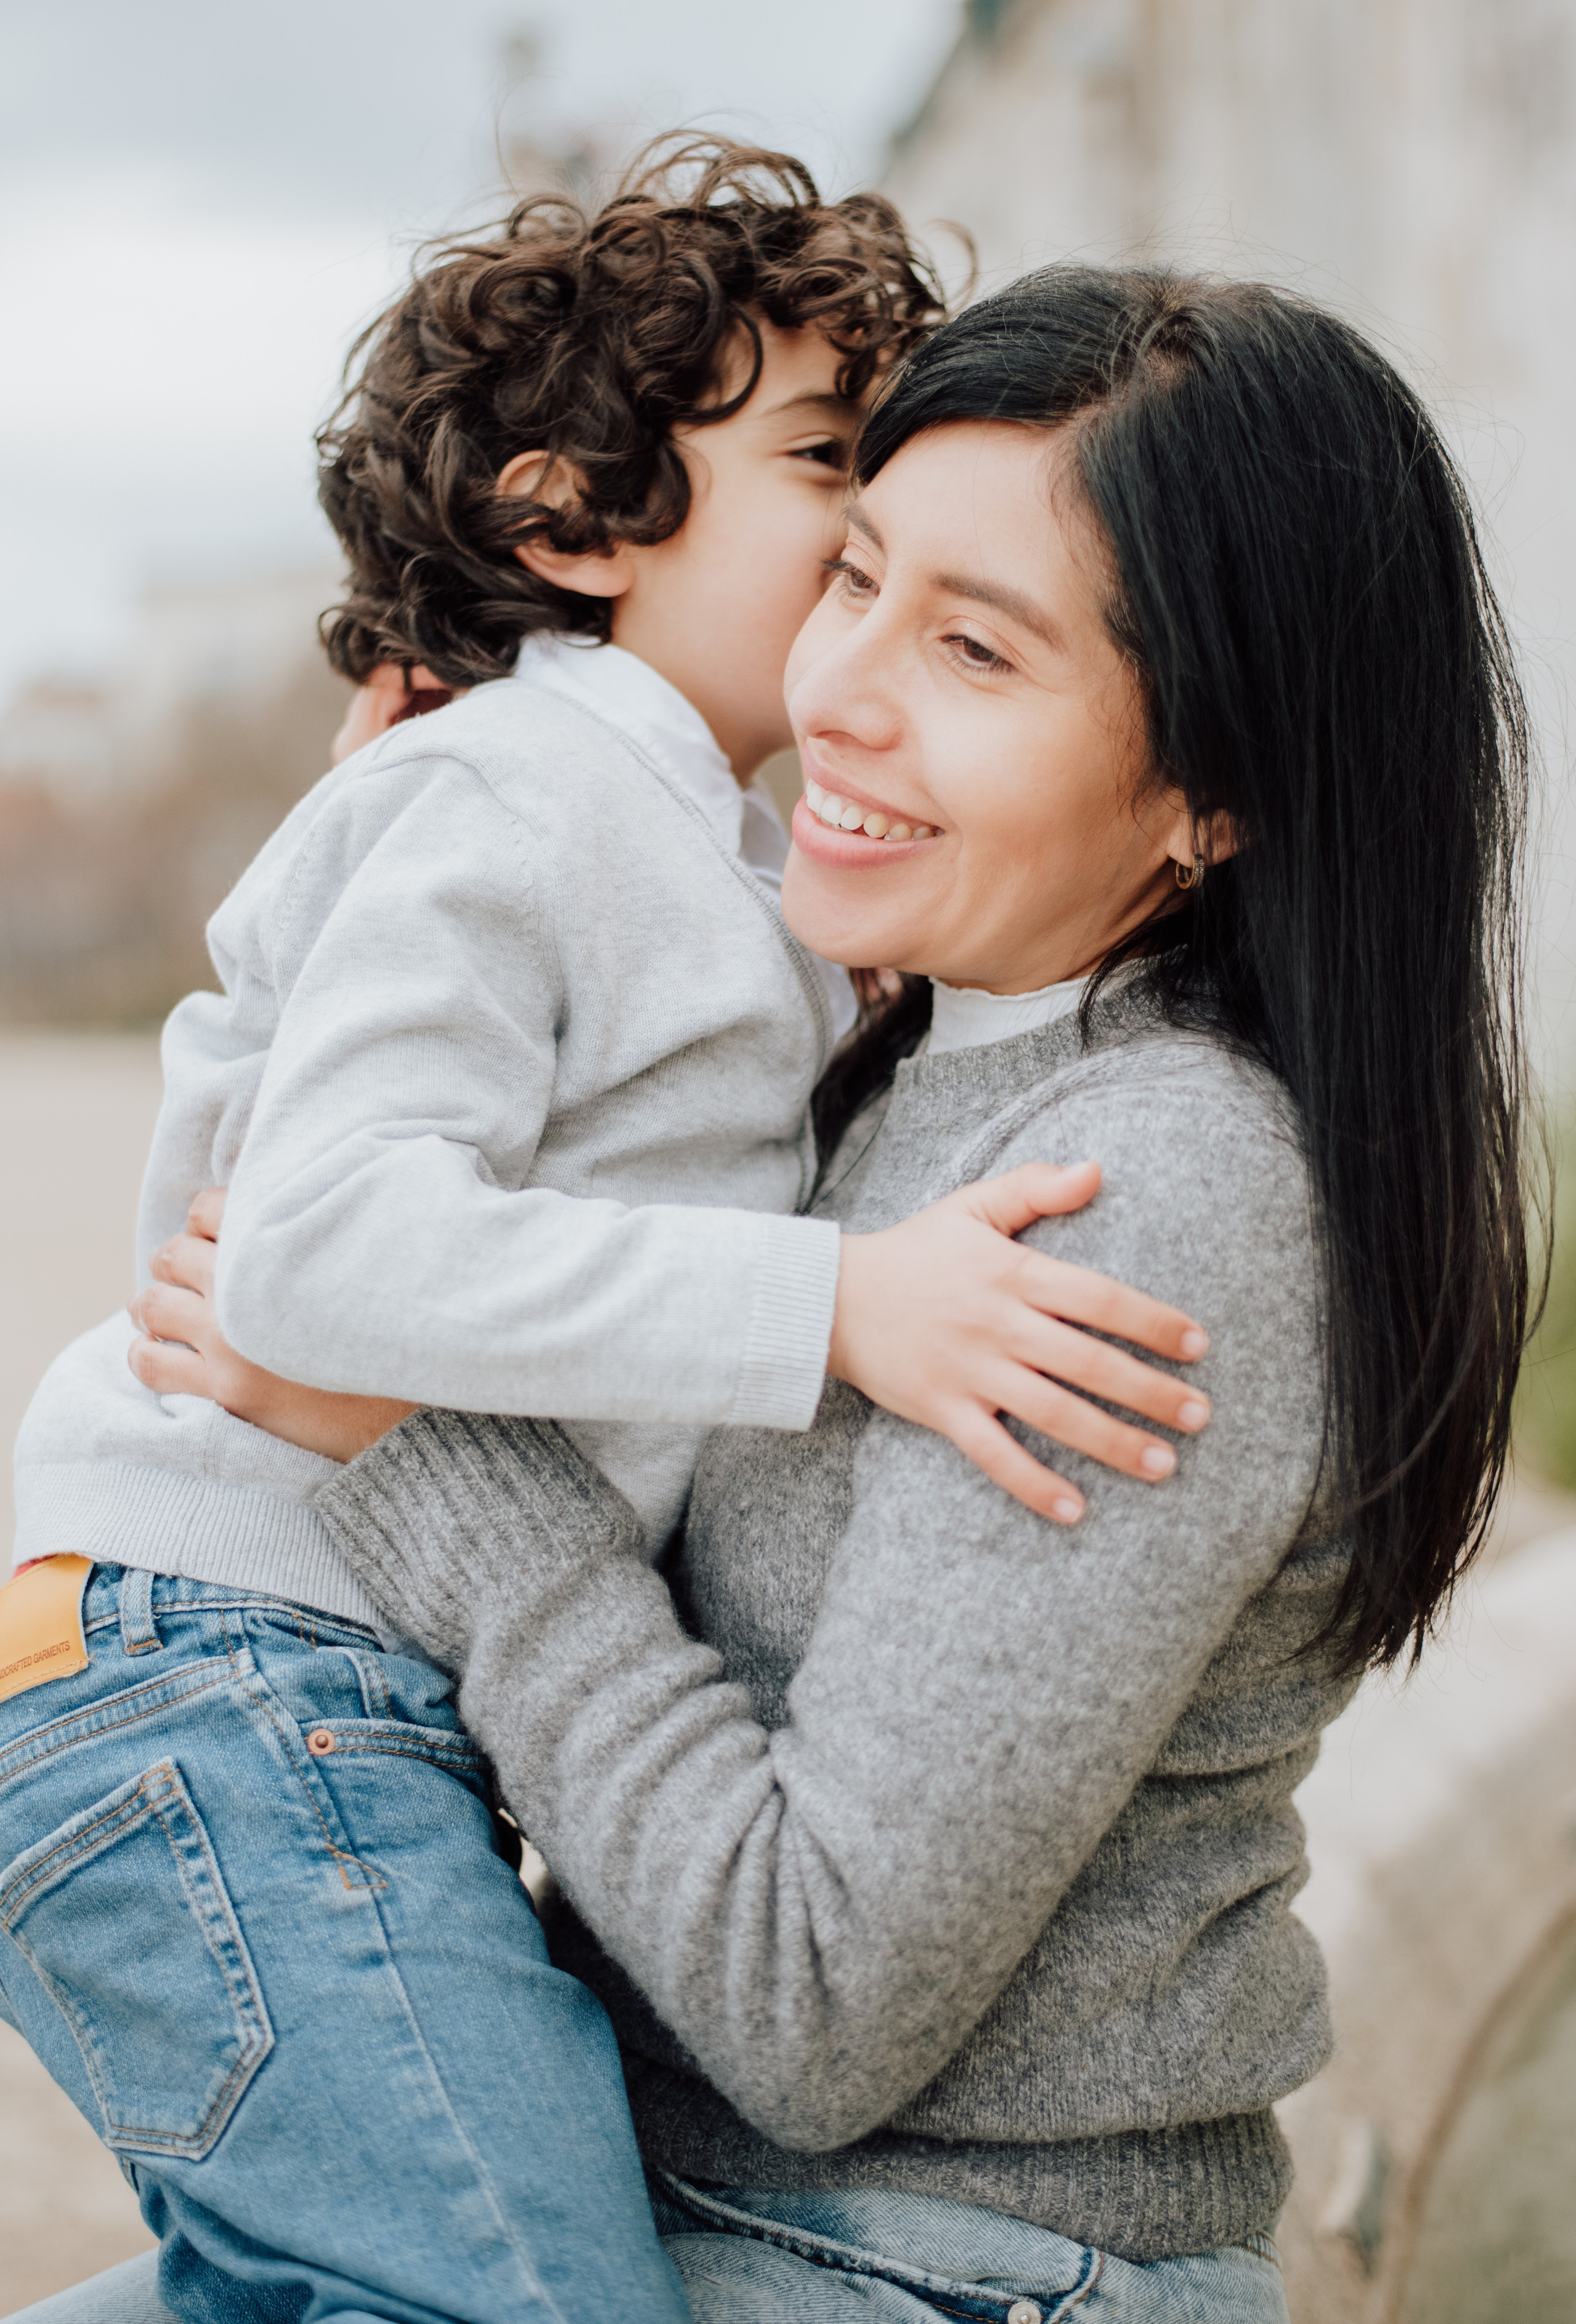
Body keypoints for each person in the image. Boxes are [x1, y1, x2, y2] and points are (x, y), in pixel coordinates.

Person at [92, 260, 1533, 2323]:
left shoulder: (1143, 1190)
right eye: (851, 572)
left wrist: (423, 1441)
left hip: (936, 2261)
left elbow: (811, 1999)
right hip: (678, 2204)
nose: (844, 686)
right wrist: (435, 818)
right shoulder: (881, 1061)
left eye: (974, 646)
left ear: (1218, 797)